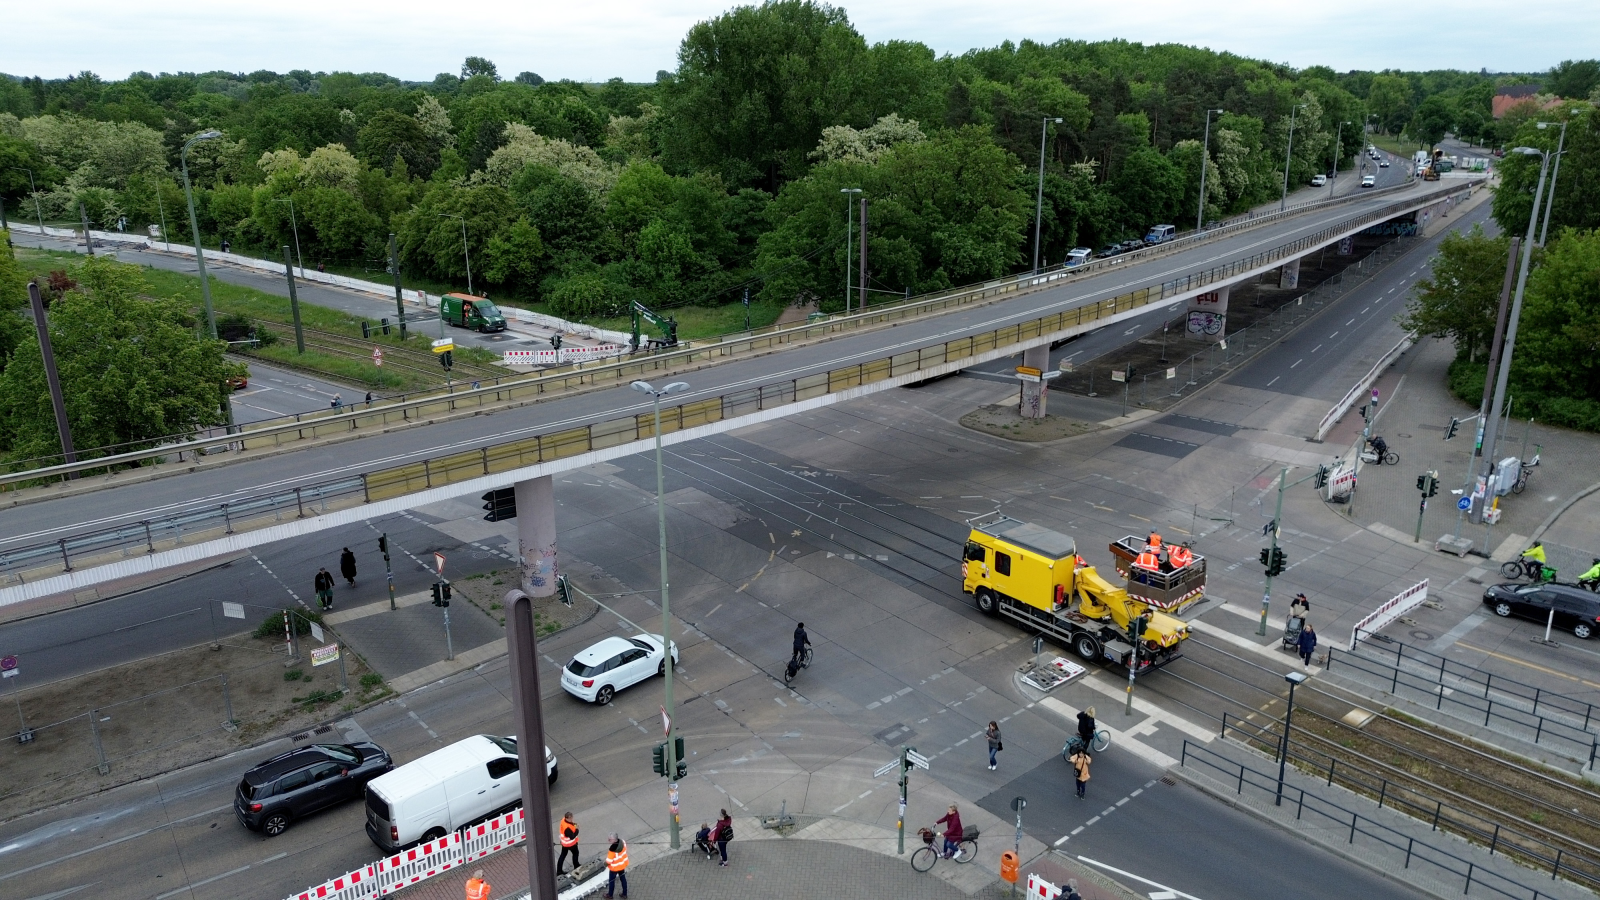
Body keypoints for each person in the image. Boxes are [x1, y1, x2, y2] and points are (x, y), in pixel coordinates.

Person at [604, 833, 628, 899]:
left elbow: (609, 861)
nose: (608, 840)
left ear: (614, 840)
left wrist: (604, 864)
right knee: (623, 879)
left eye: (610, 839)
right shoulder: (622, 842)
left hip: (614, 868)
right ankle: (624, 894)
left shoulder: (612, 850)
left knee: (611, 881)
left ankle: (610, 895)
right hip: (622, 865)